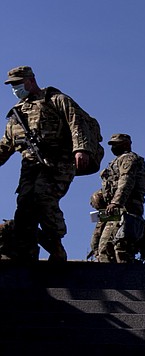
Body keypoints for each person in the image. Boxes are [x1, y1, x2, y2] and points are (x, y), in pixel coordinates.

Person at [0, 66, 94, 261]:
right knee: (24, 207)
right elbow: (5, 146)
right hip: (29, 168)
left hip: (58, 162)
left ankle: (56, 245)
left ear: (31, 80)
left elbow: (76, 122)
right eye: (12, 85)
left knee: (43, 197)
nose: (15, 88)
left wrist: (81, 149)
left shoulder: (56, 100)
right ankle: (28, 253)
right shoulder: (16, 115)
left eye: (18, 83)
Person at [88, 133, 145, 263]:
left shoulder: (129, 159)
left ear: (126, 144)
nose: (113, 147)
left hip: (125, 209)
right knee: (98, 244)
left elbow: (126, 181)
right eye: (112, 144)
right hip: (111, 210)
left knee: (113, 245)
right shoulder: (115, 162)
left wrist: (116, 202)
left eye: (116, 143)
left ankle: (118, 278)